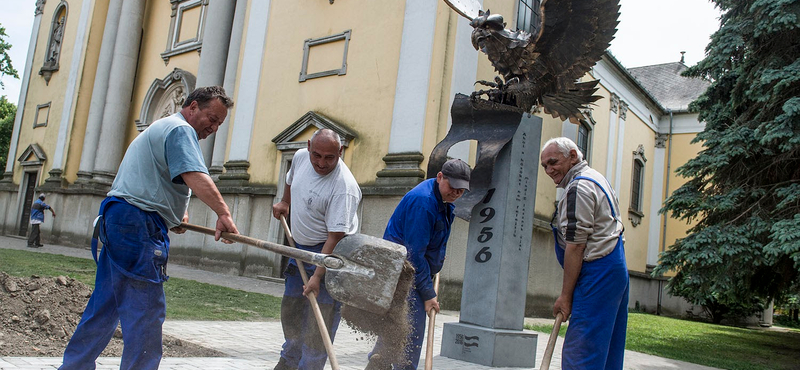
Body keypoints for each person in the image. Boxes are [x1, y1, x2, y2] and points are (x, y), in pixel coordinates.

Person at [59, 86, 240, 370]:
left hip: (123, 219)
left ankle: (74, 367)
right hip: (137, 225)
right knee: (145, 312)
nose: (214, 127)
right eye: (212, 118)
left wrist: (173, 215)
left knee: (105, 306)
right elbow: (194, 174)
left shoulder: (164, 128)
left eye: (219, 123)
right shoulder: (181, 130)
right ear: (193, 107)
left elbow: (161, 178)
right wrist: (223, 212)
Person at [366, 158, 471, 370]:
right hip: (404, 277)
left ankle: (379, 364)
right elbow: (413, 256)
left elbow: (425, 243)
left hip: (410, 273)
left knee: (393, 336)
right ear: (440, 177)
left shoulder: (442, 200)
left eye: (461, 190)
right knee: (408, 339)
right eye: (453, 187)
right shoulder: (424, 203)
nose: (456, 193)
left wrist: (437, 257)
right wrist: (429, 294)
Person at [271, 129, 362, 370]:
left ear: (340, 152)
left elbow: (335, 237)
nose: (321, 163)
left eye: (329, 157)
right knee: (292, 311)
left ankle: (308, 367)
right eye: (317, 155)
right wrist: (285, 202)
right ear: (309, 146)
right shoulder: (301, 157)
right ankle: (288, 361)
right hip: (299, 249)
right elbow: (291, 180)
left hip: (330, 257)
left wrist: (316, 276)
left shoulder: (344, 187)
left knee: (317, 327)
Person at [540, 137, 629, 370]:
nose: (549, 170)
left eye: (553, 162)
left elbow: (576, 246)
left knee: (581, 353)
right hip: (613, 269)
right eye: (544, 166)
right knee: (607, 351)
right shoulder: (596, 178)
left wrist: (565, 296)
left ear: (572, 156)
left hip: (598, 273)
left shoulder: (578, 187)